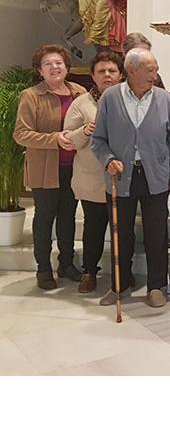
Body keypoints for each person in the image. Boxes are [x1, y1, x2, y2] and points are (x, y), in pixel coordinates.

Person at [91, 48, 170, 308]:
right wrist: (109, 160)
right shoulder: (110, 98)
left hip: (155, 176)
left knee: (156, 234)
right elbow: (97, 140)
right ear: (131, 70)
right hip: (121, 176)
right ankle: (120, 285)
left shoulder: (164, 98)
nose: (155, 75)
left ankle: (156, 286)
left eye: (155, 69)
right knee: (122, 234)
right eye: (150, 70)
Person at [14, 45, 87, 289]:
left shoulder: (80, 92)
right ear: (40, 70)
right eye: (48, 64)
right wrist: (55, 139)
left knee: (68, 217)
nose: (55, 67)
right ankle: (43, 269)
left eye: (59, 63)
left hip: (75, 167)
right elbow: (21, 134)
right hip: (45, 168)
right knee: (44, 219)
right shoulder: (31, 96)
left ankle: (67, 263)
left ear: (67, 67)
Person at [63, 51, 123, 293]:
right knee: (94, 228)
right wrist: (85, 131)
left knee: (122, 230)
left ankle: (122, 272)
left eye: (112, 71)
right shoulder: (81, 104)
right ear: (93, 75)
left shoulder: (130, 99)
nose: (107, 75)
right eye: (101, 71)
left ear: (121, 75)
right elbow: (67, 139)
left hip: (122, 178)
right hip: (92, 179)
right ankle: (89, 271)